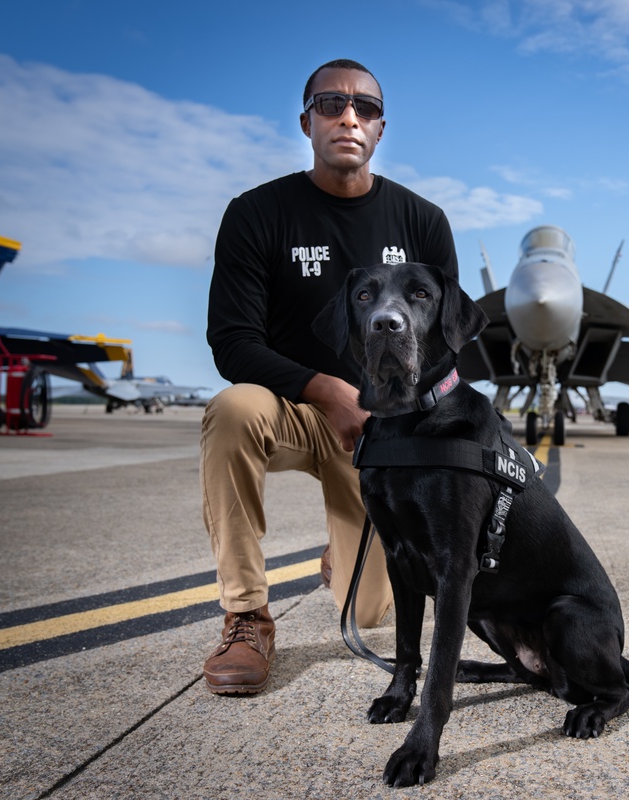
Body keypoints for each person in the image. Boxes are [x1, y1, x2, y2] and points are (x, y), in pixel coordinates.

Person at [201, 58, 459, 694]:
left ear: (380, 127)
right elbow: (231, 342)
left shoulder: (423, 222)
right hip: (291, 408)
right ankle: (245, 615)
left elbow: (447, 346)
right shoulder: (257, 214)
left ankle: (339, 558)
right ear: (306, 121)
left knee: (368, 610)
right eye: (331, 104)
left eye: (365, 108)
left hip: (381, 430)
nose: (349, 116)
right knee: (233, 410)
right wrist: (326, 390)